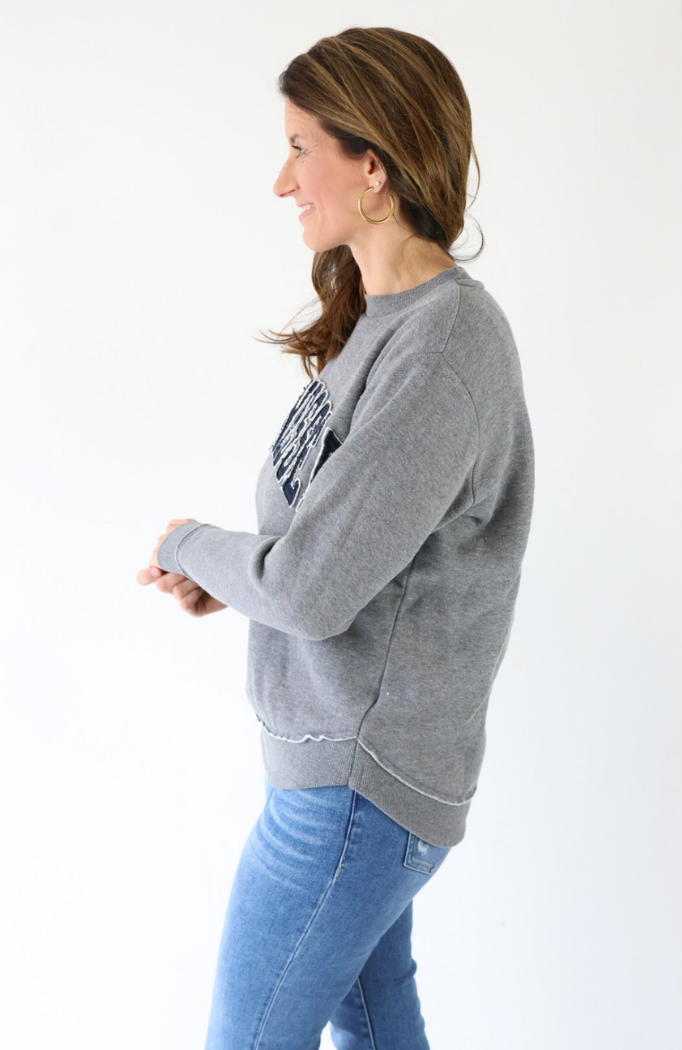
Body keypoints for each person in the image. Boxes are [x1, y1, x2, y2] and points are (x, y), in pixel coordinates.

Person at [136, 26, 535, 1050]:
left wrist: (189, 545)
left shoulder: (443, 346)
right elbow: (335, 557)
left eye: (299, 147)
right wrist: (241, 579)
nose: (282, 180)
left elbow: (311, 589)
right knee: (377, 1029)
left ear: (374, 164)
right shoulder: (388, 326)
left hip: (354, 788)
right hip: (349, 780)